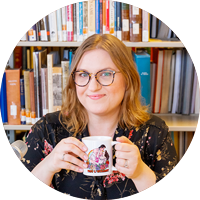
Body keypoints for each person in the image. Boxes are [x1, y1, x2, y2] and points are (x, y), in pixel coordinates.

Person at [22, 34, 178, 199]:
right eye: (83, 74)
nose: (93, 86)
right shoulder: (47, 129)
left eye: (105, 74)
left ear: (127, 79)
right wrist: (48, 166)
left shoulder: (154, 132)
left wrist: (140, 173)